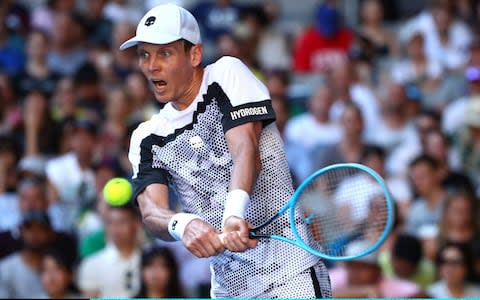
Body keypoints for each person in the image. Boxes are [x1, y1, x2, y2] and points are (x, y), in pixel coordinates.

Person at [120, 4, 331, 298]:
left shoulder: (226, 74)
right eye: (145, 54)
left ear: (194, 54)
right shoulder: (146, 137)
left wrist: (233, 215)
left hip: (291, 275)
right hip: (229, 289)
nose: (151, 65)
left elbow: (247, 151)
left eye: (164, 53)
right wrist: (183, 224)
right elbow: (151, 213)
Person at [77, 203, 142, 298]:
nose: (116, 228)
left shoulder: (149, 260)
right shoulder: (91, 263)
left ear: (136, 224)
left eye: (122, 222)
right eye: (111, 223)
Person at [0, 211, 55, 298]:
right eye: (28, 228)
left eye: (41, 228)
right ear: (21, 231)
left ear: (50, 233)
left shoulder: (59, 269)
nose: (34, 234)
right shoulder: (5, 268)